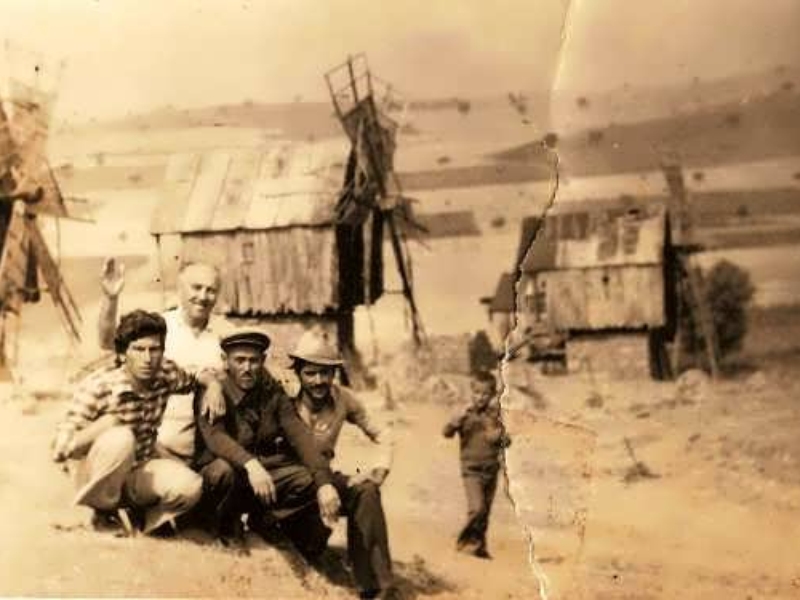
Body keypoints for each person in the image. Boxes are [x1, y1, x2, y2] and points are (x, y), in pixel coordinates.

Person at [52, 310, 224, 535]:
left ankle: (144, 522)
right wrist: (104, 426)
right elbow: (60, 447)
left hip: (138, 469)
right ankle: (101, 512)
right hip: (94, 474)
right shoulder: (100, 386)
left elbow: (194, 376)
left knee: (190, 486)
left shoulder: (165, 373)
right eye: (139, 349)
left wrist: (213, 385)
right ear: (123, 354)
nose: (148, 358)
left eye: (155, 349)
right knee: (120, 437)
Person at [193, 328, 341, 553]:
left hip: (256, 477)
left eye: (253, 361)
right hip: (223, 476)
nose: (247, 368)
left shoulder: (271, 390)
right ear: (225, 360)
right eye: (239, 360)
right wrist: (250, 464)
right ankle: (222, 527)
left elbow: (299, 434)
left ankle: (264, 521)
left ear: (263, 360)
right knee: (223, 471)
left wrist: (324, 482)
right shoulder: (213, 390)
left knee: (307, 480)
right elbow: (215, 437)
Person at [288, 328, 397, 600]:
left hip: (324, 480)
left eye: (325, 373)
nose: (318, 381)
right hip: (290, 486)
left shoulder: (343, 399)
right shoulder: (284, 398)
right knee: (309, 544)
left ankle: (375, 588)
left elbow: (382, 432)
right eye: (310, 373)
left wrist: (380, 469)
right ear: (298, 372)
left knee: (366, 492)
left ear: (335, 373)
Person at [98, 259, 227, 463]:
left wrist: (214, 384)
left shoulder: (225, 332)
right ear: (180, 289)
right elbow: (108, 342)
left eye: (211, 290)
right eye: (196, 287)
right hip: (155, 450)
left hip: (208, 452)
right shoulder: (158, 327)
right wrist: (110, 299)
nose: (203, 296)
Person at [443, 369, 511, 559]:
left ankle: (479, 547)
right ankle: (464, 543)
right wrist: (454, 423)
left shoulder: (495, 417)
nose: (480, 397)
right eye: (476, 392)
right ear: (471, 392)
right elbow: (446, 433)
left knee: (485, 513)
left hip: (491, 469)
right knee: (477, 508)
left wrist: (498, 435)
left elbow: (507, 441)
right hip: (471, 470)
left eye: (485, 394)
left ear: (492, 395)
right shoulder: (465, 414)